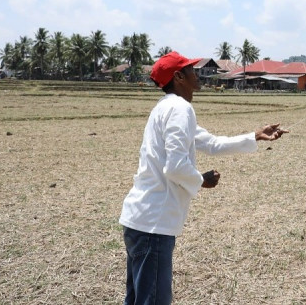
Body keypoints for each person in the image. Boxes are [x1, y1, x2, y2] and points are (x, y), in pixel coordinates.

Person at [119, 51, 288, 304]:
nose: (195, 73)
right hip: (154, 225)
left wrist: (254, 135)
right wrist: (202, 180)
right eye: (190, 69)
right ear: (178, 77)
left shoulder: (166, 108)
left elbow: (211, 143)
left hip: (140, 222)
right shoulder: (180, 108)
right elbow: (175, 166)